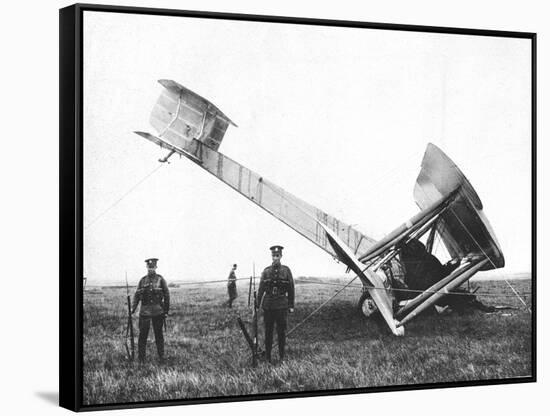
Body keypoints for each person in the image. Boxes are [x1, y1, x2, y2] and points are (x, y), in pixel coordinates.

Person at [258, 245, 295, 363]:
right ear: (271, 256)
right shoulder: (266, 271)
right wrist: (257, 304)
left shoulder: (286, 270)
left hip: (281, 306)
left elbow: (291, 288)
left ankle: (281, 356)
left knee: (281, 332)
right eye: (274, 256)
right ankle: (268, 356)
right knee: (268, 332)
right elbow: (261, 289)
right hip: (268, 306)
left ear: (281, 256)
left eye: (277, 256)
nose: (275, 258)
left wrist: (291, 305)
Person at [132, 258, 170, 363]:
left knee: (159, 335)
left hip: (158, 312)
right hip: (145, 312)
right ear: (147, 268)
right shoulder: (142, 280)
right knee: (142, 336)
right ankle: (141, 358)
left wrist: (166, 311)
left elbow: (167, 295)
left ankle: (161, 357)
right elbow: (137, 295)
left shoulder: (160, 279)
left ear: (156, 267)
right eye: (149, 267)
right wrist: (132, 309)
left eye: (152, 267)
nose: (151, 269)